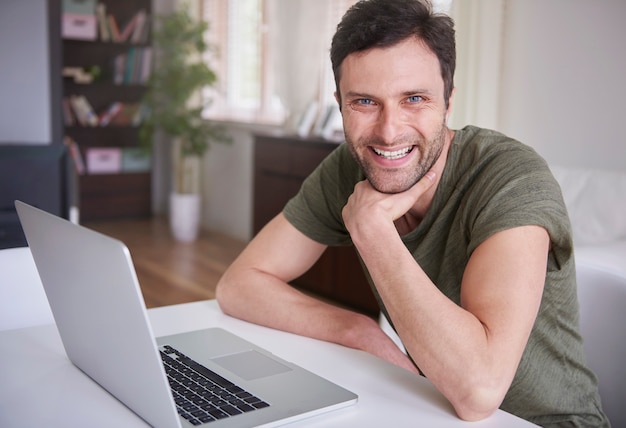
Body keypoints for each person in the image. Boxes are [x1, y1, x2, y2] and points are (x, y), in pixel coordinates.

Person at [215, 0, 609, 426]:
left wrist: (373, 232)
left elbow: (479, 392)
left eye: (414, 99)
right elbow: (238, 285)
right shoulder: (349, 167)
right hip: (422, 407)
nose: (388, 131)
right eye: (365, 101)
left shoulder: (511, 177)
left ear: (448, 100)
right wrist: (360, 331)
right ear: (340, 104)